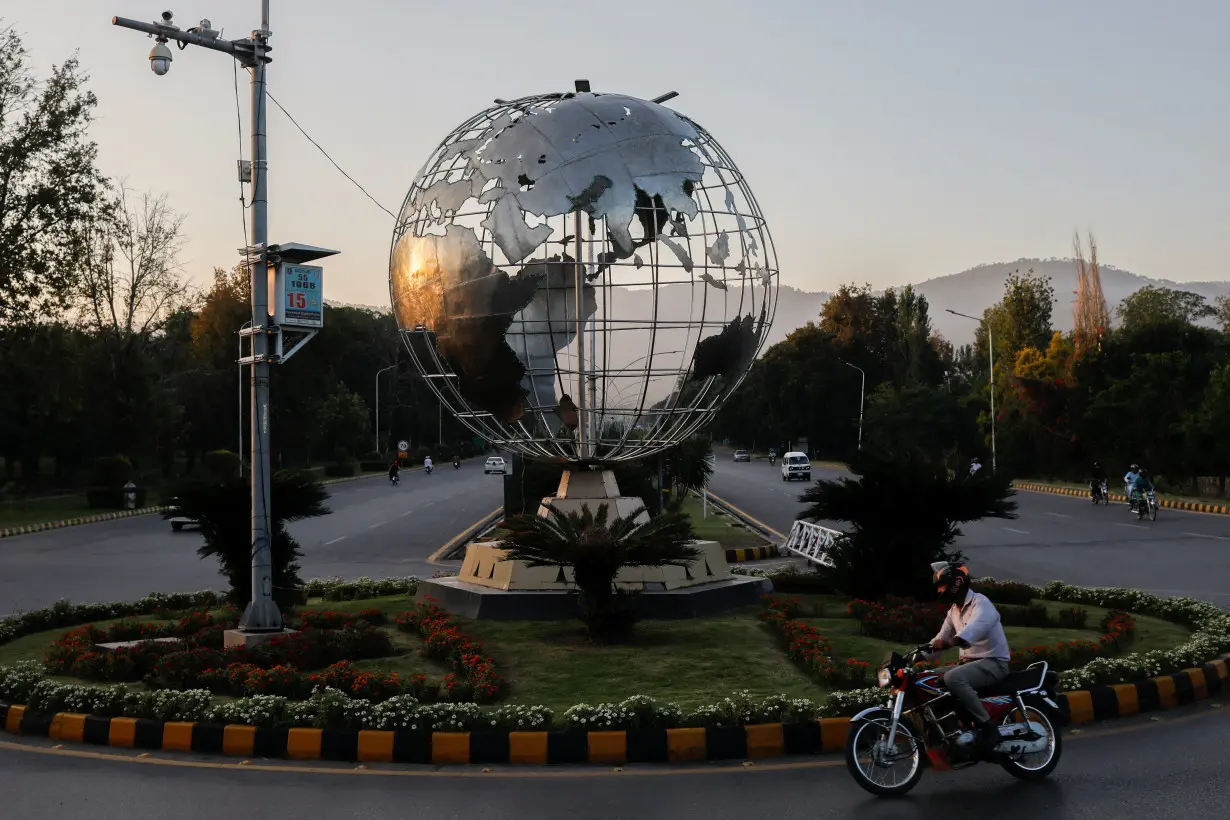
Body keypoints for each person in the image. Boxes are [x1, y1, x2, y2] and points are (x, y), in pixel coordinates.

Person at [926, 561, 1011, 755]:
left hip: (994, 663)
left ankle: (988, 726)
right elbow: (939, 640)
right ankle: (950, 734)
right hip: (970, 664)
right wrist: (916, 656)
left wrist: (951, 642)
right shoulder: (953, 611)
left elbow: (973, 630)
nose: (940, 590)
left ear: (957, 583)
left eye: (943, 585)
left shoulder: (981, 603)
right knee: (926, 678)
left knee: (953, 678)